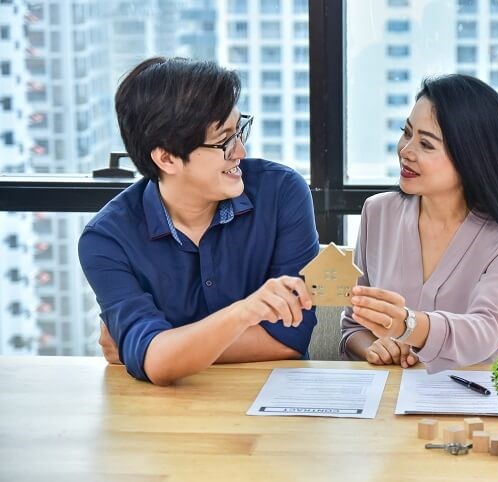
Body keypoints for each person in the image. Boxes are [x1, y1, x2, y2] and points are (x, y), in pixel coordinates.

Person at [78, 57, 319, 385]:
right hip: (167, 416)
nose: (241, 152)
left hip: (273, 404)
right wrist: (244, 313)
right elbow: (155, 361)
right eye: (224, 141)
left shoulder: (282, 192)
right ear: (167, 158)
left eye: (239, 130)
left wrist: (166, 349)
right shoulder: (106, 240)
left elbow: (290, 338)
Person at [340, 74, 498, 373]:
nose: (406, 150)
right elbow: (353, 324)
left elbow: (486, 329)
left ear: (471, 156)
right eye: (407, 132)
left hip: (490, 399)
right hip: (396, 401)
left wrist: (408, 325)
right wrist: (375, 347)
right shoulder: (378, 213)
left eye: (426, 144)